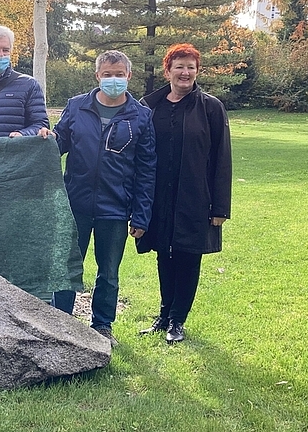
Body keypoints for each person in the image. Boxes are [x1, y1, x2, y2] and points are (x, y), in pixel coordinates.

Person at [38, 50, 156, 347]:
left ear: (129, 76)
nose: (113, 79)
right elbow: (59, 143)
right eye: (107, 74)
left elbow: (146, 169)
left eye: (119, 74)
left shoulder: (141, 117)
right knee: (67, 267)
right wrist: (45, 137)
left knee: (109, 272)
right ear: (97, 76)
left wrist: (141, 215)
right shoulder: (77, 107)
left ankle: (102, 326)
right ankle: (61, 321)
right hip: (75, 204)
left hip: (115, 209)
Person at [137, 43, 232, 344]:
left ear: (196, 71)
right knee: (164, 253)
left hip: (194, 196)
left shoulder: (211, 108)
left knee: (188, 256)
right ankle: (164, 314)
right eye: (179, 66)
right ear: (167, 71)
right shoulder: (150, 106)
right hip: (158, 196)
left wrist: (220, 208)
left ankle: (178, 320)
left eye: (191, 66)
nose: (185, 72)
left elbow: (221, 158)